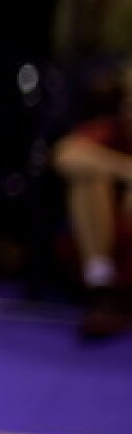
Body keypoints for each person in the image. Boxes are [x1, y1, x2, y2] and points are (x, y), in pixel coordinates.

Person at [52, 70, 132, 339]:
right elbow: (65, 154)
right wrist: (125, 170)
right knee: (89, 179)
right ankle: (102, 288)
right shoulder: (110, 131)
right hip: (107, 244)